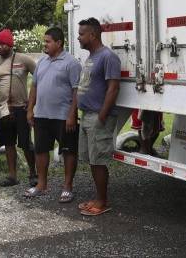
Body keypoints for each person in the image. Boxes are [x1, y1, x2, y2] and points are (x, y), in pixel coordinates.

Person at [25, 26, 82, 203]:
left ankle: (67, 187)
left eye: (48, 41)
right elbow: (34, 87)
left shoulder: (71, 63)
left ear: (59, 42)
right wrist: (30, 109)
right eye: (44, 41)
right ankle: (42, 185)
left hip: (64, 117)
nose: (45, 44)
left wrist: (72, 115)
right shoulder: (41, 62)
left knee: (68, 151)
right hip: (42, 115)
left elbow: (76, 91)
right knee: (41, 150)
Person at [76, 17, 121, 216]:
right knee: (92, 160)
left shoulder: (108, 57)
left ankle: (102, 202)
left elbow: (113, 87)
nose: (78, 38)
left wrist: (102, 115)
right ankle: (97, 198)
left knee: (99, 161)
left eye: (81, 34)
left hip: (98, 117)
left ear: (92, 35)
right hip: (87, 116)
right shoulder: (91, 57)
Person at [0, 28, 38, 187]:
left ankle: (33, 173)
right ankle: (12, 176)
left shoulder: (24, 60)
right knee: (8, 144)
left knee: (26, 143)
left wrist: (32, 101)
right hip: (2, 111)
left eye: (2, 44)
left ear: (10, 44)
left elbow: (39, 78)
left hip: (21, 108)